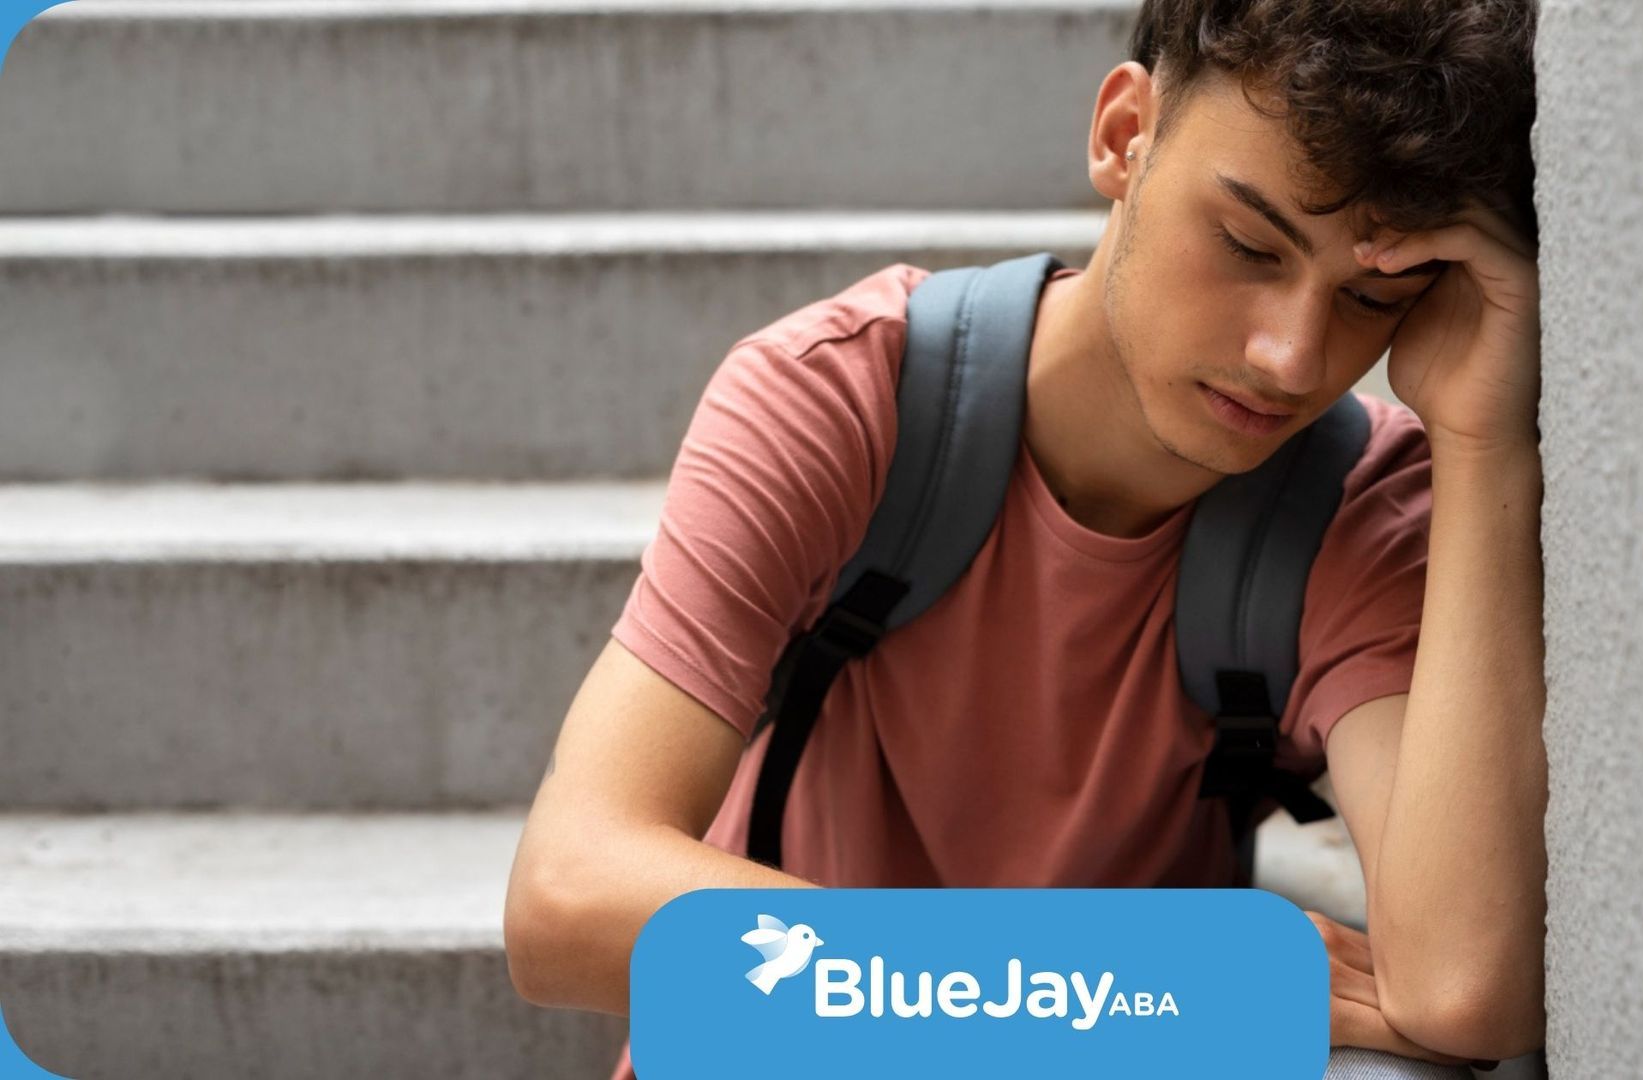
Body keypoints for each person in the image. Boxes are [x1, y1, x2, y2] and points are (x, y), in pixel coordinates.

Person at [504, 0, 1547, 1075]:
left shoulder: (1358, 509)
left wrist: (1482, 439)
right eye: (1247, 244)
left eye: (1372, 300)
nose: (1291, 356)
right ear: (1123, 135)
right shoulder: (842, 398)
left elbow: (1463, 989)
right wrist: (1156, 978)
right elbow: (568, 899)